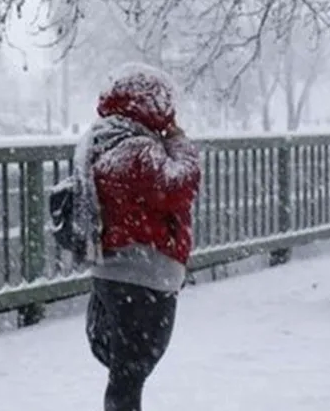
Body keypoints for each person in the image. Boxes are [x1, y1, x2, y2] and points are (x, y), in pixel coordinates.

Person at [72, 63, 202, 411]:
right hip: (144, 274)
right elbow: (179, 184)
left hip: (110, 269)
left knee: (122, 365)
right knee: (132, 371)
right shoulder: (138, 150)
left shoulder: (98, 141)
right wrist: (179, 140)